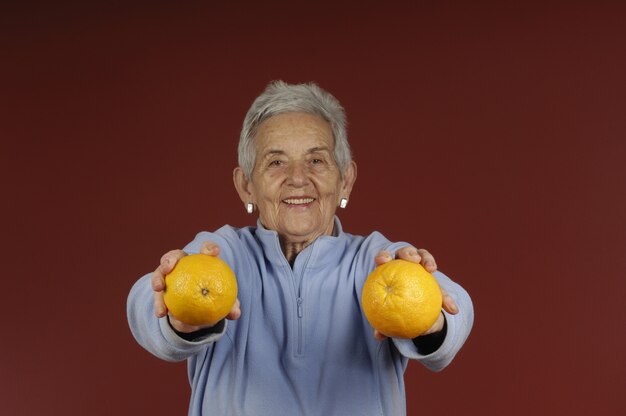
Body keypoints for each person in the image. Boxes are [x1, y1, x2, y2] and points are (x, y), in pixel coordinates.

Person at [127, 81, 474, 416]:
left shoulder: (378, 261)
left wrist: (430, 320)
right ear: (246, 185)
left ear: (345, 180)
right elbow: (146, 307)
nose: (297, 178)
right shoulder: (222, 254)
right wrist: (176, 314)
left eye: (317, 161)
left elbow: (456, 314)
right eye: (276, 162)